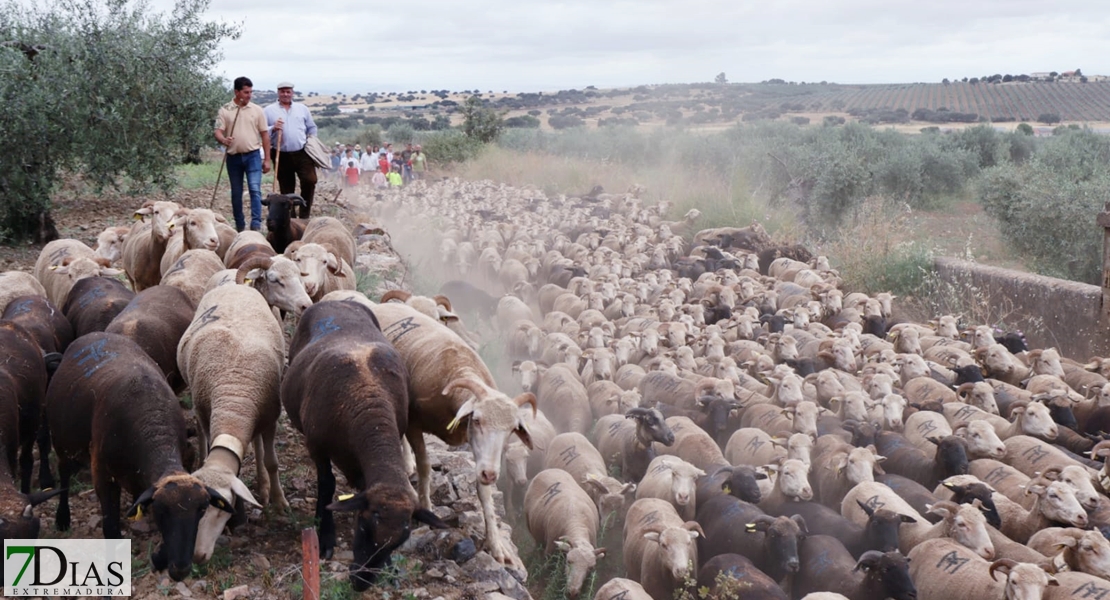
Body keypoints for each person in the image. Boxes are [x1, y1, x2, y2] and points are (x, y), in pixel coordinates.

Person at [215, 76, 271, 232]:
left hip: (253, 155)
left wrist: (267, 159)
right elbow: (217, 132)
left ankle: (256, 225)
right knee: (236, 192)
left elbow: (265, 135)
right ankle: (239, 226)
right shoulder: (225, 109)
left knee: (255, 189)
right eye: (246, 92)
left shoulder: (257, 110)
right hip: (233, 157)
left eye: (250, 92)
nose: (249, 95)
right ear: (236, 92)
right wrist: (223, 140)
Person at [265, 81, 319, 218]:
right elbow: (263, 132)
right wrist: (273, 128)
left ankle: (304, 214)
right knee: (286, 187)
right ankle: (290, 217)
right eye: (282, 91)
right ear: (278, 93)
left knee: (310, 180)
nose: (285, 94)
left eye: (288, 91)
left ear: (292, 93)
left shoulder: (302, 109)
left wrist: (312, 140)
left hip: (302, 152)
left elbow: (312, 127)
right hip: (281, 154)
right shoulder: (268, 110)